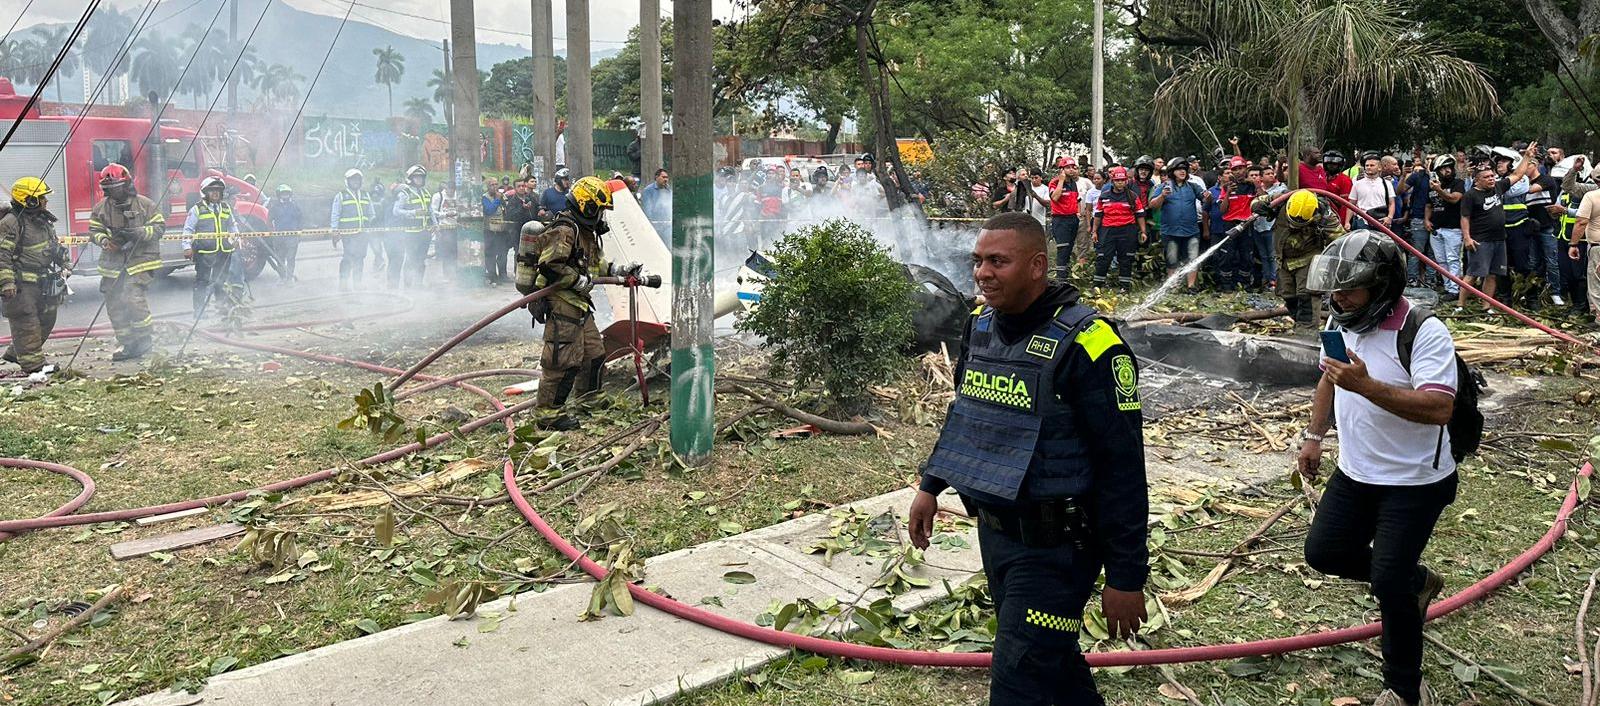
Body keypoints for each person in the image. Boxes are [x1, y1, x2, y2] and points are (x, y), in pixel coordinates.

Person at [907, 211, 1148, 706]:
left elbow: (1123, 467)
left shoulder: (1092, 344)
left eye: (998, 261)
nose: (982, 273)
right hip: (997, 534)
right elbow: (969, 413)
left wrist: (1127, 577)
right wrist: (931, 485)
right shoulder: (980, 326)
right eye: (978, 261)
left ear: (1037, 266)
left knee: (1018, 678)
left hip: (1058, 549)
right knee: (1052, 665)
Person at [1299, 231, 1461, 706]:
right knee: (1324, 552)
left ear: (1383, 285)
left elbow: (1438, 408)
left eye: (1350, 287)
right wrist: (1314, 437)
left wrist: (1367, 386)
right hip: (1356, 471)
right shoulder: (1341, 320)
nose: (1338, 296)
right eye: (1334, 288)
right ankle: (1416, 581)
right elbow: (1329, 378)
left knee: (1387, 581)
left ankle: (1404, 690)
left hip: (1415, 481)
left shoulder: (1423, 330)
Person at [515, 176, 643, 430]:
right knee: (562, 360)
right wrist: (576, 281)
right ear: (587, 206)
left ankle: (589, 399)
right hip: (561, 301)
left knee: (595, 353)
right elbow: (550, 265)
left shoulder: (585, 232)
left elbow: (595, 264)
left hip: (579, 303)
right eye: (599, 210)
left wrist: (620, 269)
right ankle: (548, 414)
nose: (601, 217)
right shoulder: (565, 229)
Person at [88, 164, 164, 361]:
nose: (114, 191)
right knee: (114, 303)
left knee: (131, 296)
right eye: (110, 188)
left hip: (140, 260)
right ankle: (128, 343)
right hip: (113, 264)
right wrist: (105, 241)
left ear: (127, 183)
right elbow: (94, 231)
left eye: (117, 187)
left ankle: (144, 340)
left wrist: (139, 233)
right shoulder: (100, 209)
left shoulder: (145, 204)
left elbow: (159, 227)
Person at [0, 177, 68, 374]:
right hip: (21, 284)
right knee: (26, 321)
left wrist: (64, 261)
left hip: (42, 281)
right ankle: (34, 366)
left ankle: (16, 352)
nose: (45, 201)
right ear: (29, 200)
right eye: (41, 198)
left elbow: (52, 246)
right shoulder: (11, 223)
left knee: (48, 318)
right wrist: (6, 283)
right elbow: (1, 255)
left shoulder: (41, 220)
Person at [1460, 143, 1538, 310]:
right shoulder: (1471, 194)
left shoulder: (1501, 185)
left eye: (1503, 162)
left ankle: (1526, 300)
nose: (1491, 178)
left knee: (1511, 269)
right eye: (1487, 176)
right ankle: (1462, 305)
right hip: (1483, 238)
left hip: (1512, 231)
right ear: (1478, 179)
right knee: (1475, 273)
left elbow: (1517, 175)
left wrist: (1527, 157)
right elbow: (1465, 217)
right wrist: (1467, 237)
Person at [1253, 189, 1343, 327]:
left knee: (1307, 296)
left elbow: (1340, 238)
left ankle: (1307, 332)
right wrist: (1258, 206)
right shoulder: (1281, 199)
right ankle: (1298, 322)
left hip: (1309, 260)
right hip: (1283, 260)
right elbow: (1256, 202)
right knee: (1288, 295)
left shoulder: (1324, 214)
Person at [182, 176, 244, 317]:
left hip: (224, 251)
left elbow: (232, 226)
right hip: (205, 252)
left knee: (220, 281)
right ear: (205, 192)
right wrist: (186, 247)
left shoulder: (226, 208)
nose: (216, 193)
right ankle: (199, 311)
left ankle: (221, 308)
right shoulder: (197, 209)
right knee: (202, 281)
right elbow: (188, 229)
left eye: (218, 190)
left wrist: (237, 239)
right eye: (212, 190)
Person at [1148, 160, 1206, 291]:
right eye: (1179, 169)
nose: (1182, 171)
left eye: (1184, 169)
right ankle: (1172, 286)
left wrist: (1207, 197)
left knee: (1192, 258)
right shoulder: (1163, 186)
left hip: (1191, 230)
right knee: (1172, 259)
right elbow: (1152, 205)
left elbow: (1206, 199)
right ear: (1172, 172)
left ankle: (1191, 286)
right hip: (1170, 231)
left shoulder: (1193, 186)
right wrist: (1162, 196)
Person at [1091, 166, 1147, 291]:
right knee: (1103, 257)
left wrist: (1143, 231)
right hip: (1108, 230)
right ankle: (1097, 286)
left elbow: (1140, 214)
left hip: (1127, 230)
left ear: (1126, 180)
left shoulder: (1132, 196)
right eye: (1117, 180)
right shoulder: (1104, 196)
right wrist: (1094, 231)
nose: (1120, 182)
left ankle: (1124, 287)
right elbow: (1098, 215)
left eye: (1122, 180)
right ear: (1113, 181)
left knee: (1125, 259)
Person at [1212, 156, 1257, 292]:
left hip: (1247, 224)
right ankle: (1226, 285)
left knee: (1247, 255)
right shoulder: (1226, 187)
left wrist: (1256, 184)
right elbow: (1222, 210)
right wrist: (1228, 194)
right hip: (1230, 225)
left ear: (1245, 169)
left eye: (1240, 168)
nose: (1238, 172)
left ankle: (1244, 284)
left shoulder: (1251, 185)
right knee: (1227, 255)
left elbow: (1262, 199)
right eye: (1235, 169)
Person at [1423, 156, 1466, 299]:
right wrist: (1427, 220)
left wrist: (1439, 190)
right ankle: (1448, 288)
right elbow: (1429, 204)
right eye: (1443, 168)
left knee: (1453, 259)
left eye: (1450, 167)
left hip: (1453, 228)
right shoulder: (1433, 185)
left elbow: (1454, 199)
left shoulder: (1458, 183)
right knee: (1441, 260)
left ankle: (1455, 289)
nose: (1447, 170)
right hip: (1436, 228)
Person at [390, 164, 436, 288]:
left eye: (421, 177)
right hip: (410, 233)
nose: (419, 180)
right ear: (411, 178)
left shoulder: (426, 193)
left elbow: (430, 210)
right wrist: (413, 213)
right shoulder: (404, 194)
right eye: (416, 177)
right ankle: (408, 285)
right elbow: (396, 211)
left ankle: (419, 283)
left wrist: (436, 225)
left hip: (424, 233)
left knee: (421, 260)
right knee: (410, 260)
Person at [331, 169, 376, 291]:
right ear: (347, 181)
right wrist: (334, 231)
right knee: (348, 258)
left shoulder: (366, 195)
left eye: (358, 179)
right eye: (353, 179)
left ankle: (357, 283)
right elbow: (335, 214)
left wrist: (373, 225)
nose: (355, 182)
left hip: (363, 234)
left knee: (360, 258)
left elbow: (372, 214)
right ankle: (343, 283)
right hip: (348, 234)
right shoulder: (341, 195)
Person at [1047, 157, 1090, 281]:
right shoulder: (1054, 182)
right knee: (1063, 249)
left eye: (1073, 167)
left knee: (1070, 248)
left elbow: (1077, 200)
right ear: (1061, 169)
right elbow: (1055, 198)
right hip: (1060, 220)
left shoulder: (1073, 184)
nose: (1071, 170)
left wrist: (1076, 213)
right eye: (1067, 168)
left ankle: (1065, 276)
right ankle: (1061, 280)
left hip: (1073, 219)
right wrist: (1061, 181)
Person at [1570, 169, 1600, 325]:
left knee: (1596, 284)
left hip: (1597, 247)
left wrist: (1573, 244)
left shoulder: (1592, 196)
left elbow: (1581, 222)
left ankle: (1599, 319)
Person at [1252, 165, 1287, 290]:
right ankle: (1266, 280)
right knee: (1264, 256)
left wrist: (1258, 188)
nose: (1271, 175)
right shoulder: (1255, 189)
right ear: (1261, 177)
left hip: (1272, 228)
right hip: (1258, 227)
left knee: (1273, 256)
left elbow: (1265, 200)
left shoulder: (1280, 188)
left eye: (1272, 173)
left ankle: (1275, 281)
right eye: (1267, 174)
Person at [267, 184, 303, 282]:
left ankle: (289, 277)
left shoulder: (295, 206)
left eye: (287, 194)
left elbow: (301, 220)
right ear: (279, 195)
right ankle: (283, 277)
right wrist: (272, 233)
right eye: (283, 194)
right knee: (280, 258)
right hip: (279, 238)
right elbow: (269, 221)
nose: (285, 196)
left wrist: (299, 232)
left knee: (291, 258)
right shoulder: (275, 207)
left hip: (292, 237)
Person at [1350, 156, 1395, 231]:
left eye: (1372, 165)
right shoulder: (1357, 184)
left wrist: (1389, 218)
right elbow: (1351, 204)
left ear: (1379, 168)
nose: (1368, 167)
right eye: (1367, 165)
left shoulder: (1387, 184)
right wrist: (1347, 222)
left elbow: (1392, 203)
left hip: (1382, 222)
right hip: (1362, 221)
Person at [432, 182, 461, 283]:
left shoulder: (458, 195)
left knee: (456, 252)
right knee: (447, 253)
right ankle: (447, 275)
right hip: (444, 228)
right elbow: (432, 211)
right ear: (446, 188)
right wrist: (444, 214)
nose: (451, 192)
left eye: (453, 190)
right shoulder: (438, 196)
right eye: (450, 189)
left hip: (456, 227)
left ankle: (456, 274)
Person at [640, 168, 672, 241]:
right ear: (656, 177)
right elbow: (647, 210)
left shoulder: (669, 189)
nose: (666, 179)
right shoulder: (648, 190)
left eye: (667, 177)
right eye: (663, 177)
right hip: (655, 226)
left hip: (667, 226)